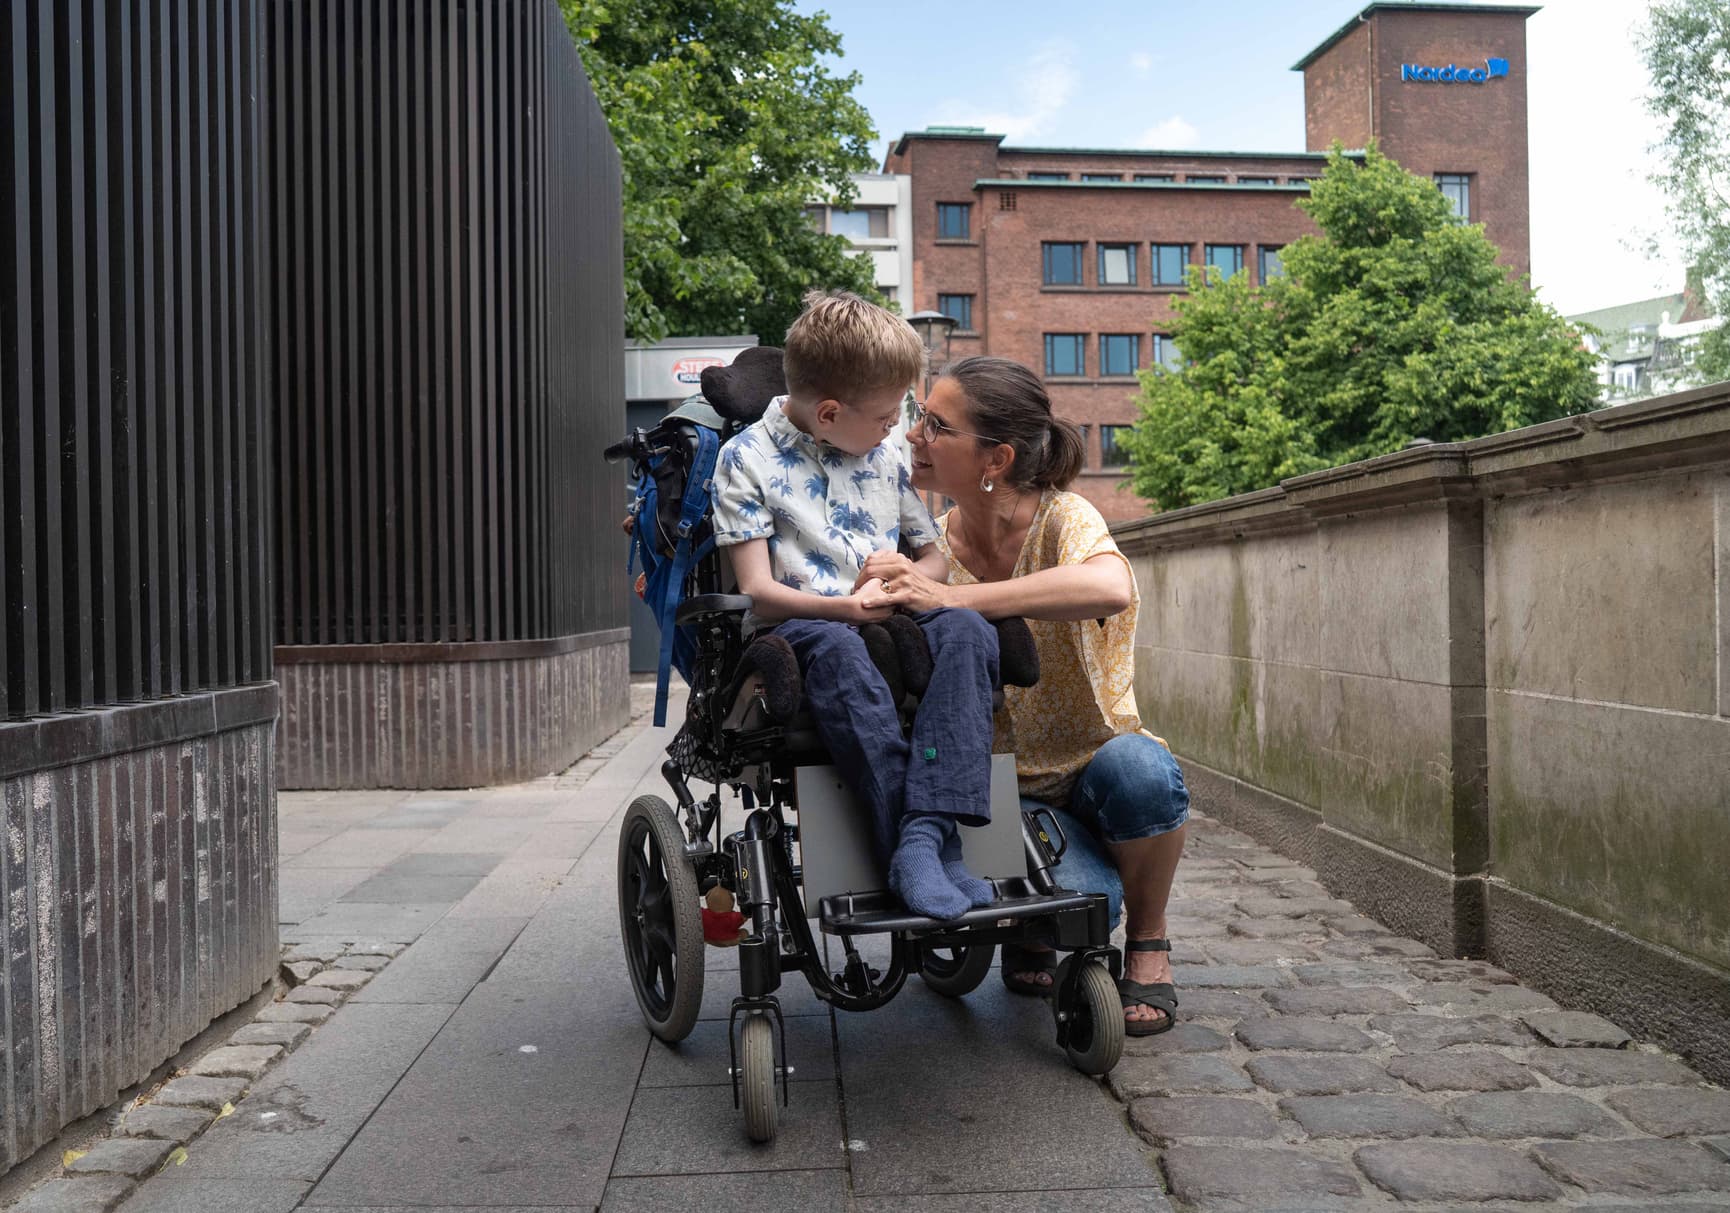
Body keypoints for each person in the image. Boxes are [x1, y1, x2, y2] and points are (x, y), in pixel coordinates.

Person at [856, 356, 1189, 1036]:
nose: (915, 435)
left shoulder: (1064, 517)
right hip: (998, 792)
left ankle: (1150, 942)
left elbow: (1109, 587)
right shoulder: (932, 545)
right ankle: (1033, 928)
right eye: (919, 418)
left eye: (936, 424)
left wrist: (955, 599)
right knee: (1084, 902)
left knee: (1145, 772)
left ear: (997, 458)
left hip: (1094, 767)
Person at [711, 291, 1003, 921]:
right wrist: (843, 610)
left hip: (889, 609)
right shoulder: (746, 461)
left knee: (971, 630)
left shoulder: (884, 453)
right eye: (885, 416)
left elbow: (935, 560)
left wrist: (906, 572)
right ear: (830, 411)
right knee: (844, 654)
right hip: (804, 624)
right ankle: (914, 846)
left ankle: (925, 836)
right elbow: (758, 590)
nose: (898, 429)